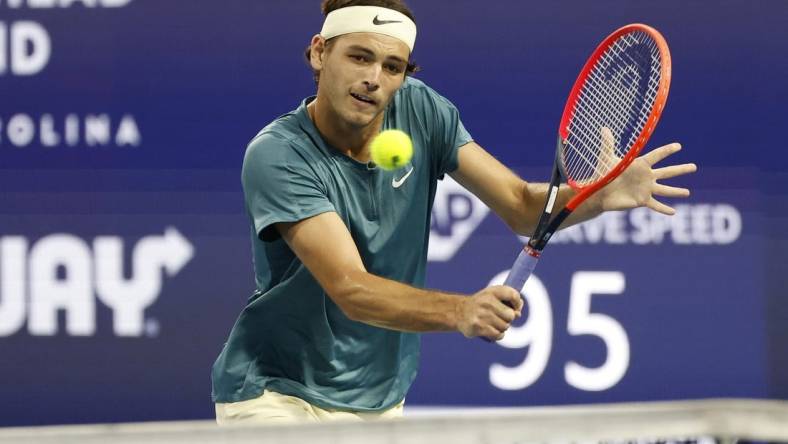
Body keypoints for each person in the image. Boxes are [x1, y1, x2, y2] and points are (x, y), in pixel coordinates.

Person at [211, 0, 697, 425]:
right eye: (359, 56)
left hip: (380, 396)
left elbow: (523, 207)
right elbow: (351, 289)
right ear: (320, 53)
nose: (373, 79)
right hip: (276, 392)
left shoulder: (422, 110)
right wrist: (462, 310)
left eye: (393, 66)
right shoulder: (278, 154)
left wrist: (598, 196)